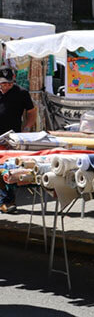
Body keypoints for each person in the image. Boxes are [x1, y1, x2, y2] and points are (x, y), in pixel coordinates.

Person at [0, 66, 37, 213]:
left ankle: (7, 201)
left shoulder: (21, 93)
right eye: (3, 83)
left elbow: (32, 112)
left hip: (12, 138)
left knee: (7, 169)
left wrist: (27, 128)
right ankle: (4, 201)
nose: (7, 86)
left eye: (9, 83)